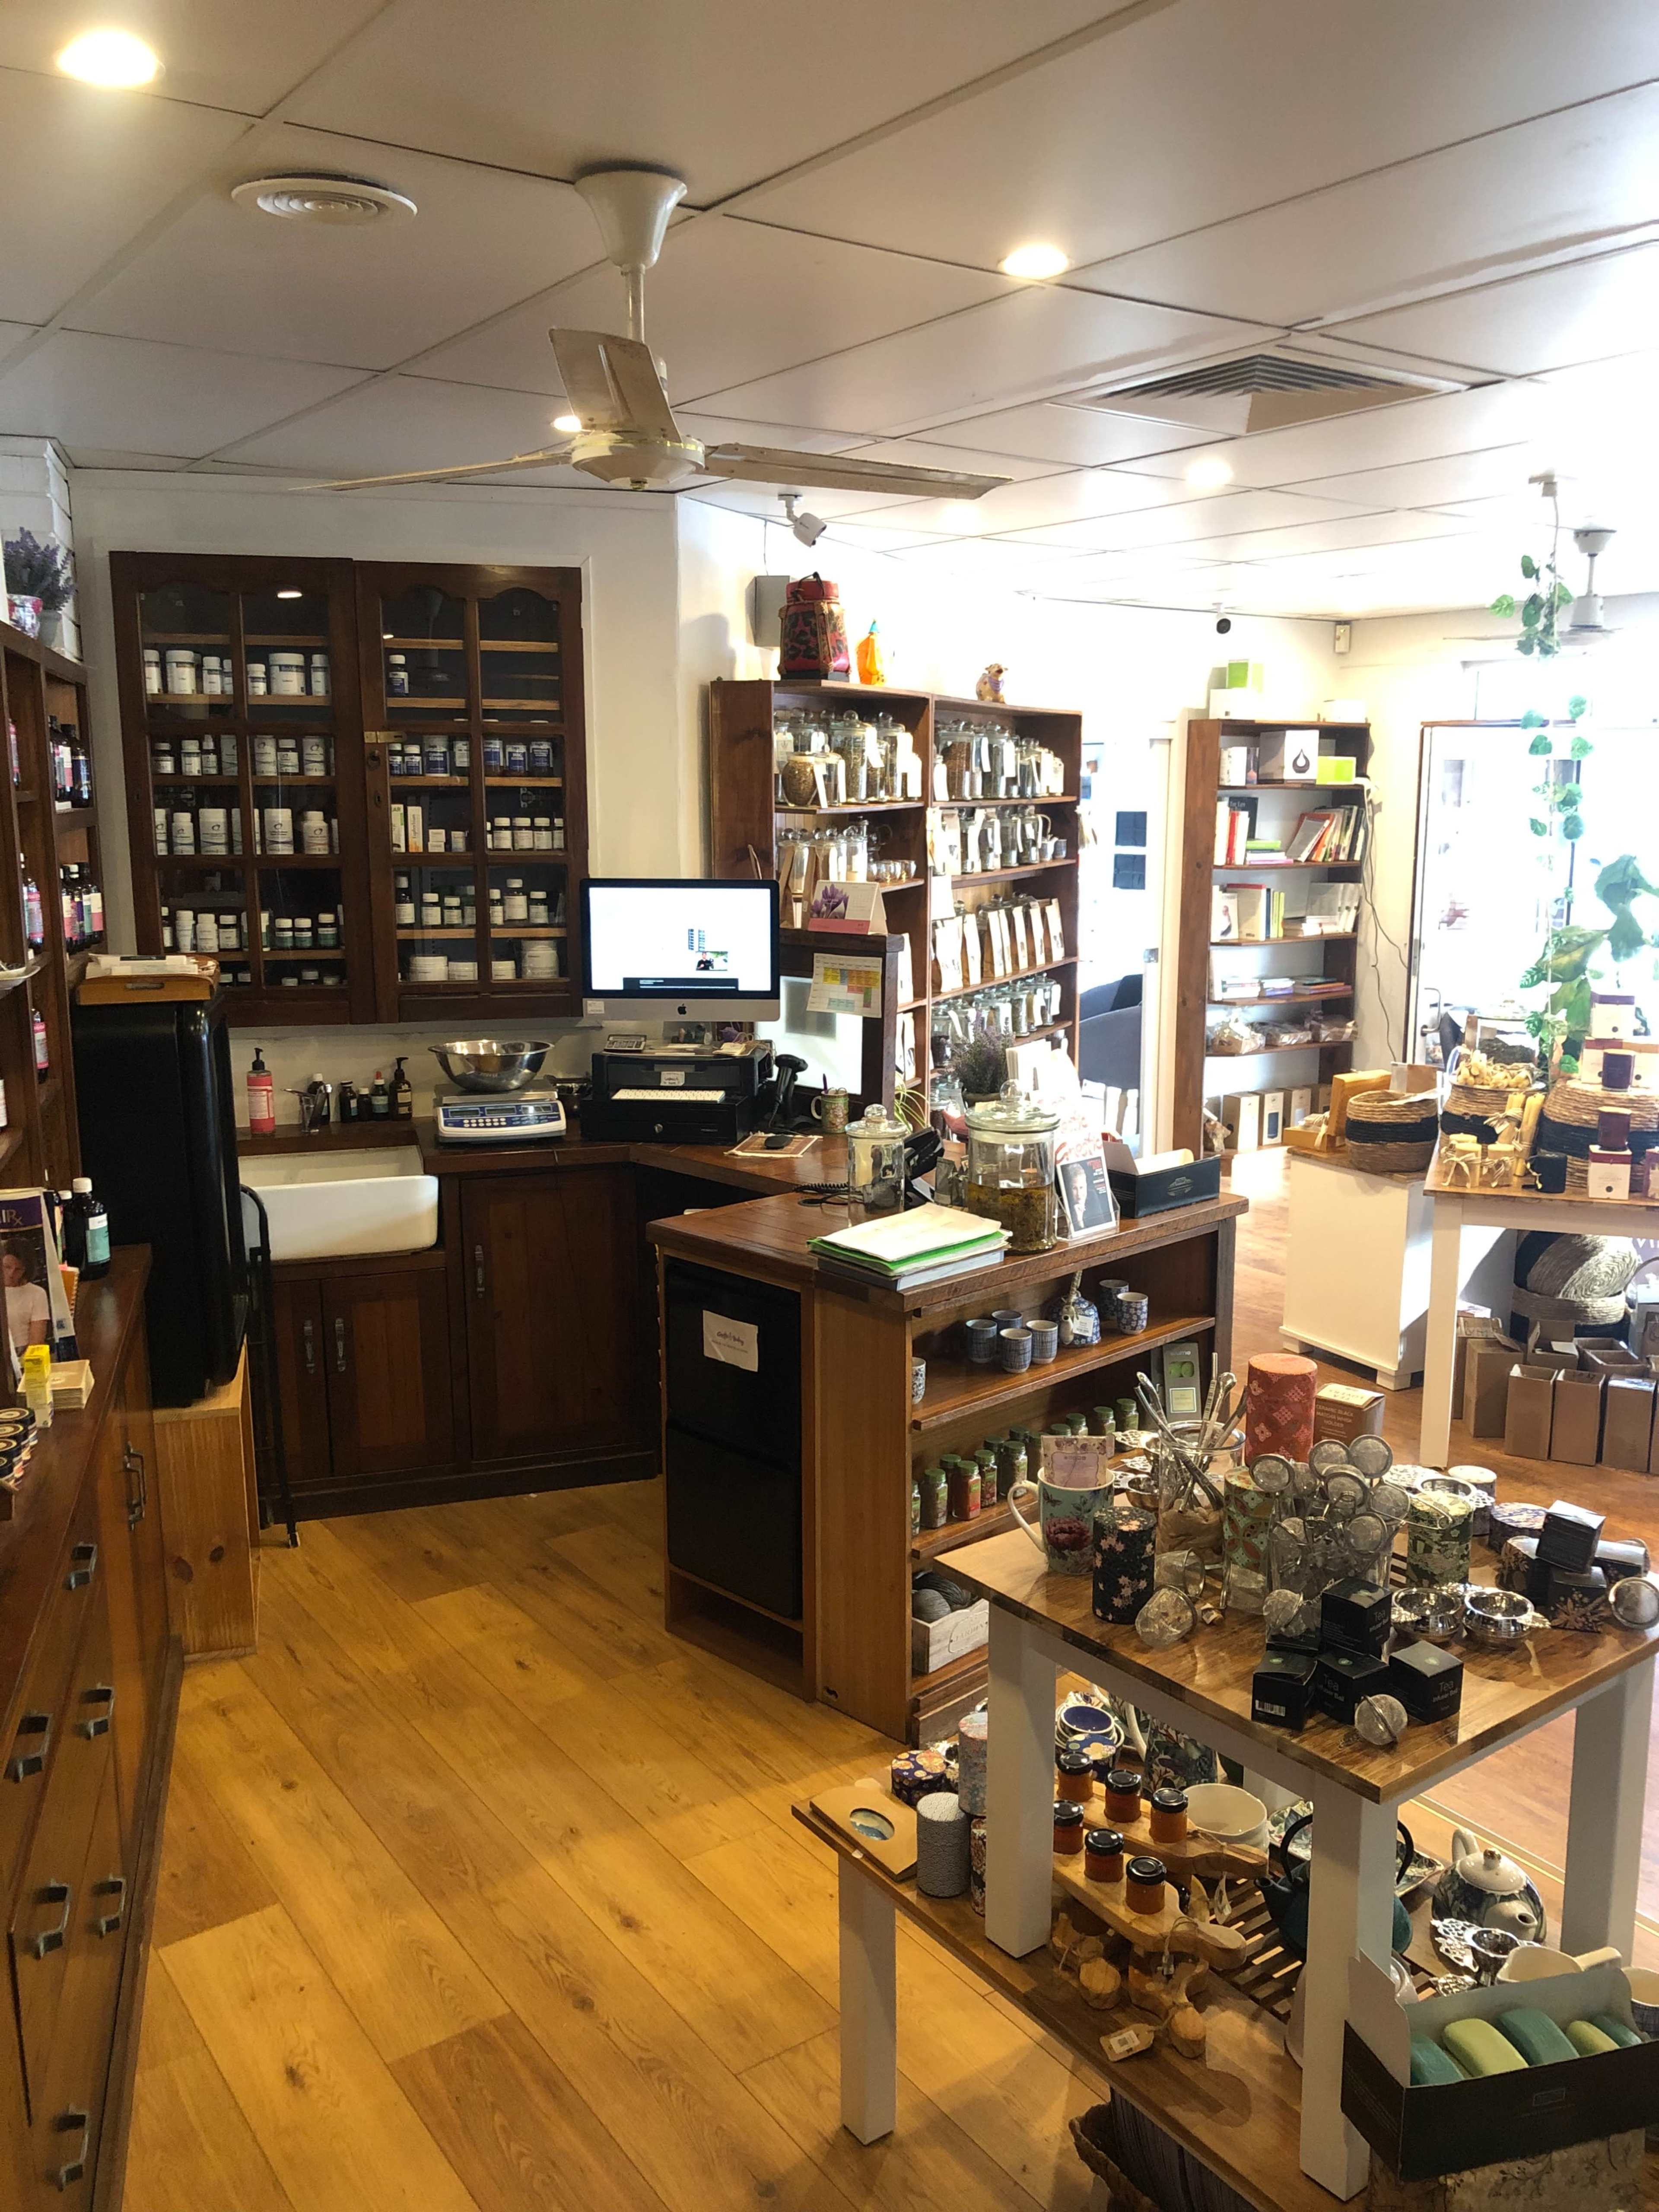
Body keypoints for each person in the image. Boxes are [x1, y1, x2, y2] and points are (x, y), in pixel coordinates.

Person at [3, 1244, 50, 1352]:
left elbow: (36, 1342)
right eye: (7, 1267)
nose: (11, 1274)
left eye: (18, 1269)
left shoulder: (37, 1294)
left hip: (22, 1355)